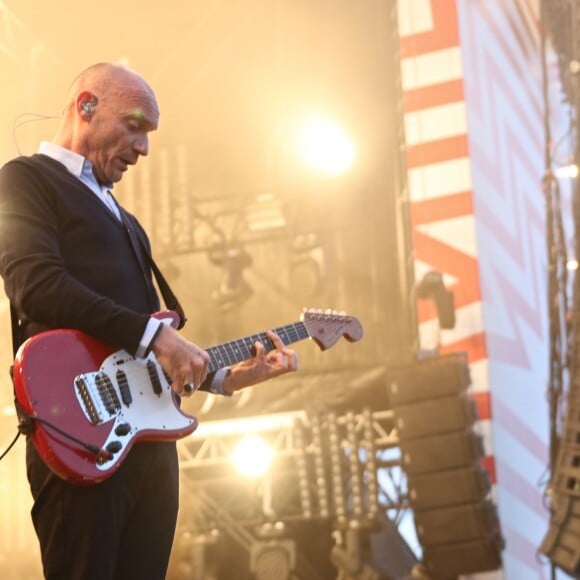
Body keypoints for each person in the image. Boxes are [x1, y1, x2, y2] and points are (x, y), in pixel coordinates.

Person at [0, 62, 298, 580]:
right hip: (78, 433)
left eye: (149, 134)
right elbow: (36, 285)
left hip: (147, 448)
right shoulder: (26, 179)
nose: (144, 148)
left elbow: (137, 354)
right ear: (86, 106)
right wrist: (154, 334)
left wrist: (223, 377)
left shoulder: (130, 224)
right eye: (135, 125)